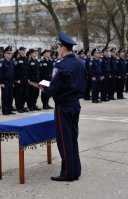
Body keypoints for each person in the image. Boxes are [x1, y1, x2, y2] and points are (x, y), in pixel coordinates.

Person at [39, 32, 85, 182]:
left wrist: (44, 88)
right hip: (75, 104)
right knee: (73, 138)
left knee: (64, 141)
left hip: (63, 106)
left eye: (58, 47)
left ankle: (68, 173)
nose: (57, 49)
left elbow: (53, 88)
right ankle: (76, 170)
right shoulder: (80, 63)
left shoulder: (60, 65)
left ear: (63, 48)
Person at [0, 46, 15, 115]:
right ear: (4, 54)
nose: (9, 55)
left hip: (11, 82)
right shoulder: (1, 62)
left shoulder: (11, 62)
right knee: (5, 97)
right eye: (8, 53)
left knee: (10, 97)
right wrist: (1, 82)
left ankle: (9, 110)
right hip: (4, 82)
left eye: (10, 53)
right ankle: (5, 110)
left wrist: (13, 82)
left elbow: (13, 73)